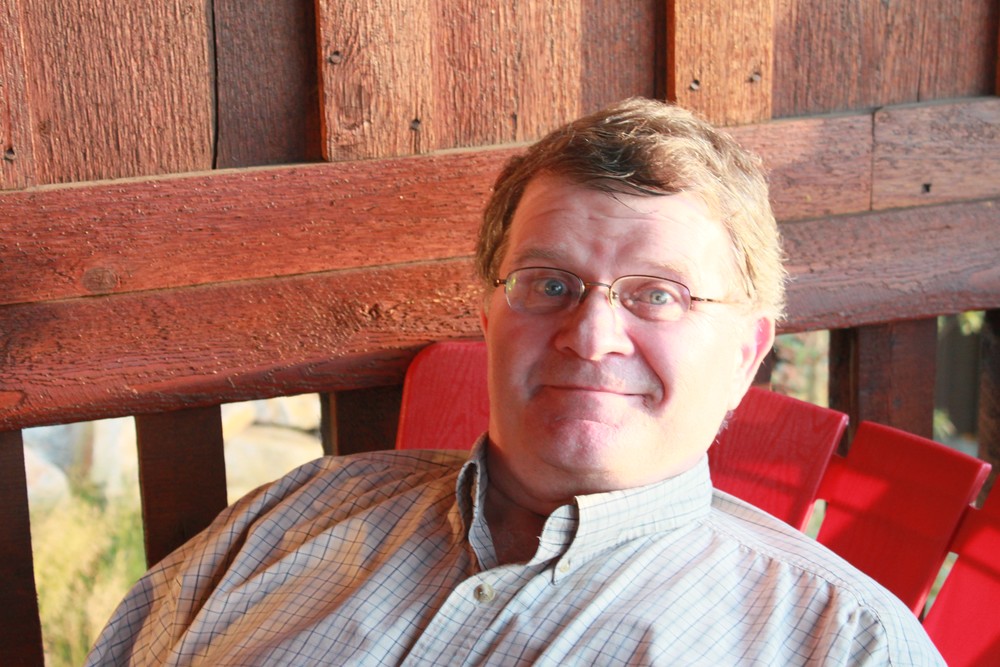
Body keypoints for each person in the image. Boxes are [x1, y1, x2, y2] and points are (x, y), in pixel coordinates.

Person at [86, 98, 944, 665]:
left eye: (658, 295)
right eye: (550, 284)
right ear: (491, 317)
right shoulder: (294, 517)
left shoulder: (842, 644)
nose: (592, 337)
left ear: (746, 354)